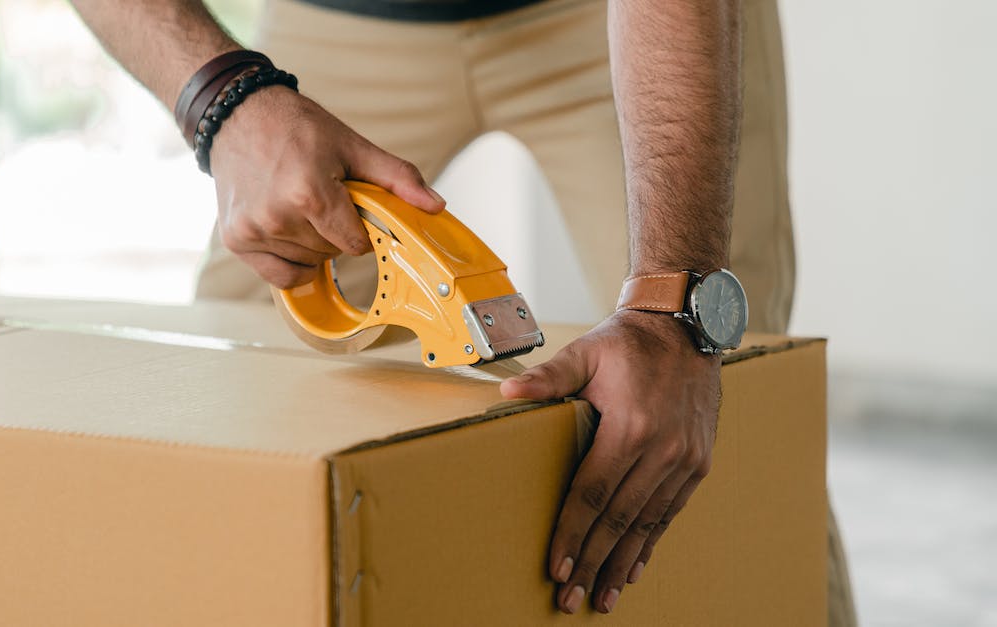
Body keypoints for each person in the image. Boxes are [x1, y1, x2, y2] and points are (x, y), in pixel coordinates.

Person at [72, 0, 854, 623]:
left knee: (728, 396)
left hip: (620, 20)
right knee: (241, 376)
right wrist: (227, 99)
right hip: (343, 19)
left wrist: (673, 307)